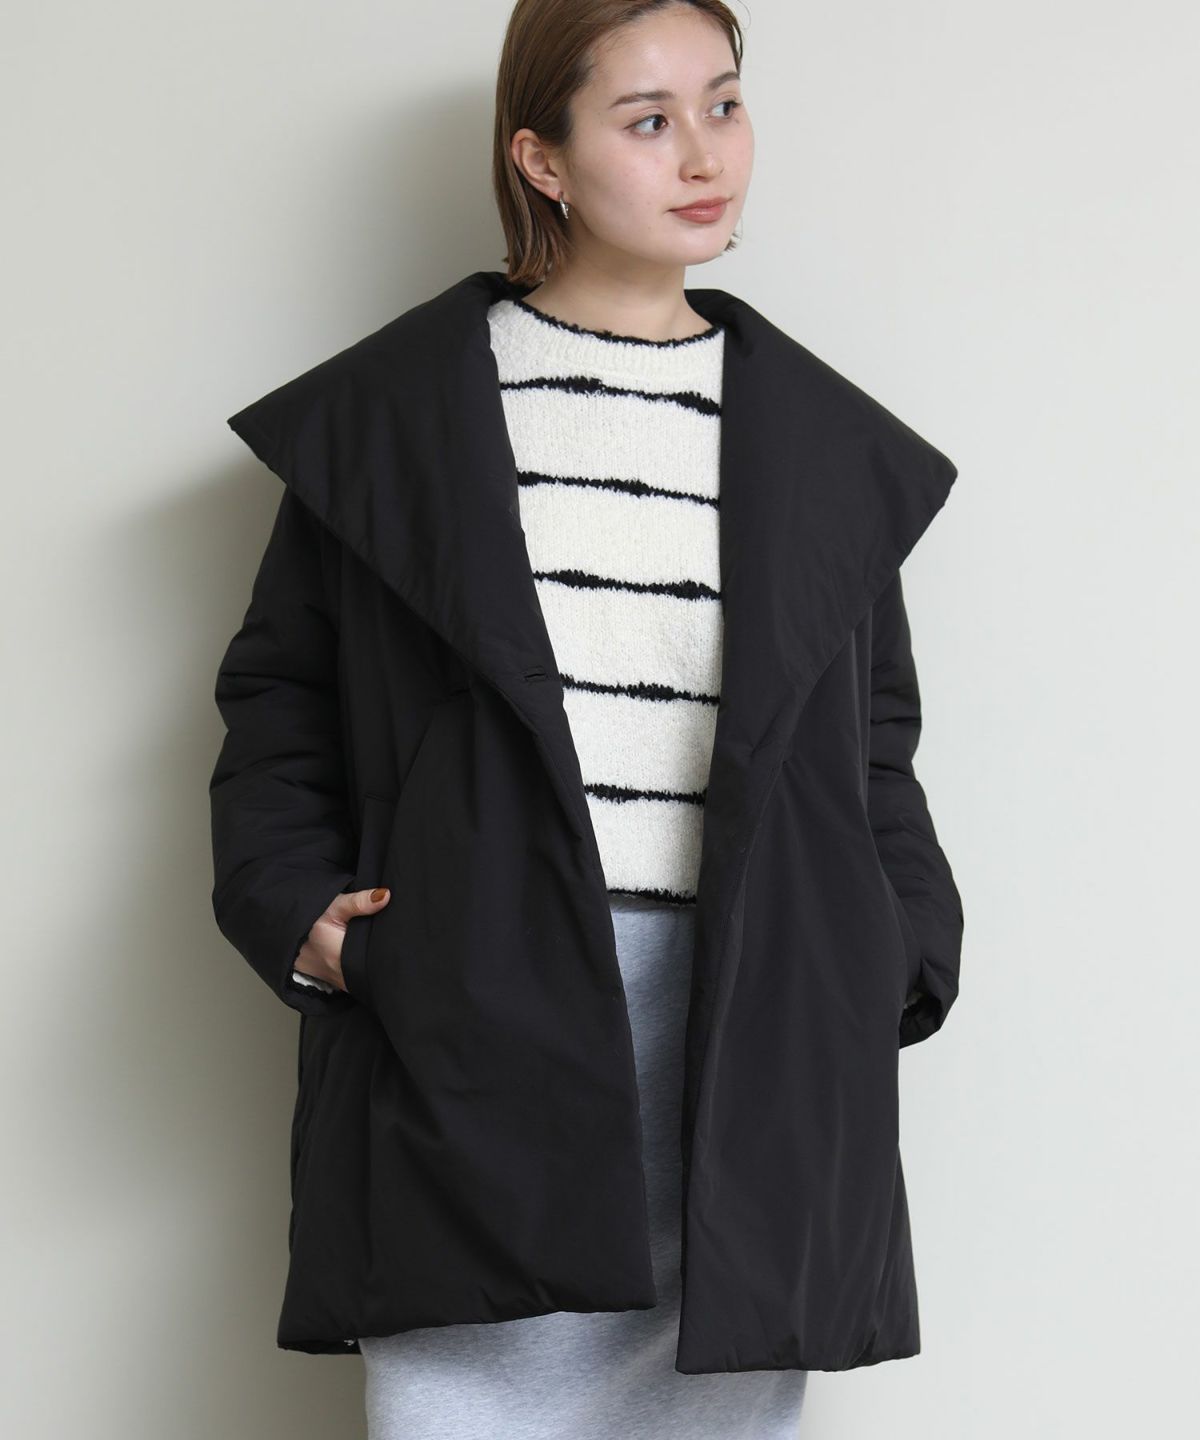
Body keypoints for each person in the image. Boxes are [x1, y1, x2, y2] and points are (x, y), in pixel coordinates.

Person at [210, 2, 963, 1435]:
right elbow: (281, 700)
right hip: (475, 988)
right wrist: (296, 907)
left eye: (724, 104)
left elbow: (873, 745)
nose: (706, 155)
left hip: (758, 1004)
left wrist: (897, 946)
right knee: (464, 1405)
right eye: (647, 119)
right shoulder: (396, 420)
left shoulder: (823, 445)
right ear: (541, 159)